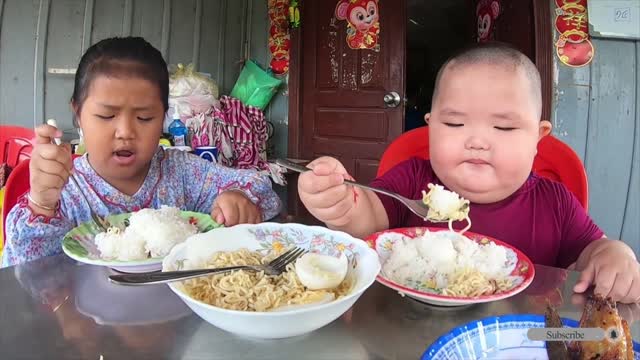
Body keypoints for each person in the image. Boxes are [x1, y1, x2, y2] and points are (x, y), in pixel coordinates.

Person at [297, 42, 640, 303]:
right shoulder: (412, 181)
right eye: (455, 123)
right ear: (430, 128)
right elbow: (369, 214)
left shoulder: (556, 202)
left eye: (503, 128)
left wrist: (615, 256)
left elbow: (592, 251)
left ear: (538, 138)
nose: (476, 140)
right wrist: (343, 203)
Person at [3, 37, 281, 267]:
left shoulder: (183, 173)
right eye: (106, 116)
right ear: (78, 114)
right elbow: (22, 269)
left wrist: (240, 199)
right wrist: (42, 204)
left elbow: (262, 191)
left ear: (163, 119)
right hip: (90, 326)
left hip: (177, 321)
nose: (125, 131)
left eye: (145, 118)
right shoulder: (67, 190)